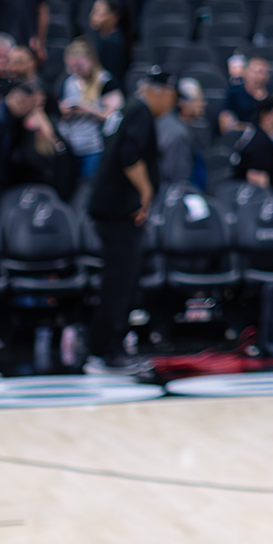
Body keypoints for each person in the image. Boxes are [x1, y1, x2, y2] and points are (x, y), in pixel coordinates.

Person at [85, 66, 165, 373]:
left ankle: (102, 347)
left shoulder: (129, 110)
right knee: (121, 282)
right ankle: (111, 351)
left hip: (109, 208)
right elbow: (129, 154)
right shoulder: (141, 112)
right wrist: (145, 193)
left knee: (116, 281)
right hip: (119, 211)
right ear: (158, 93)